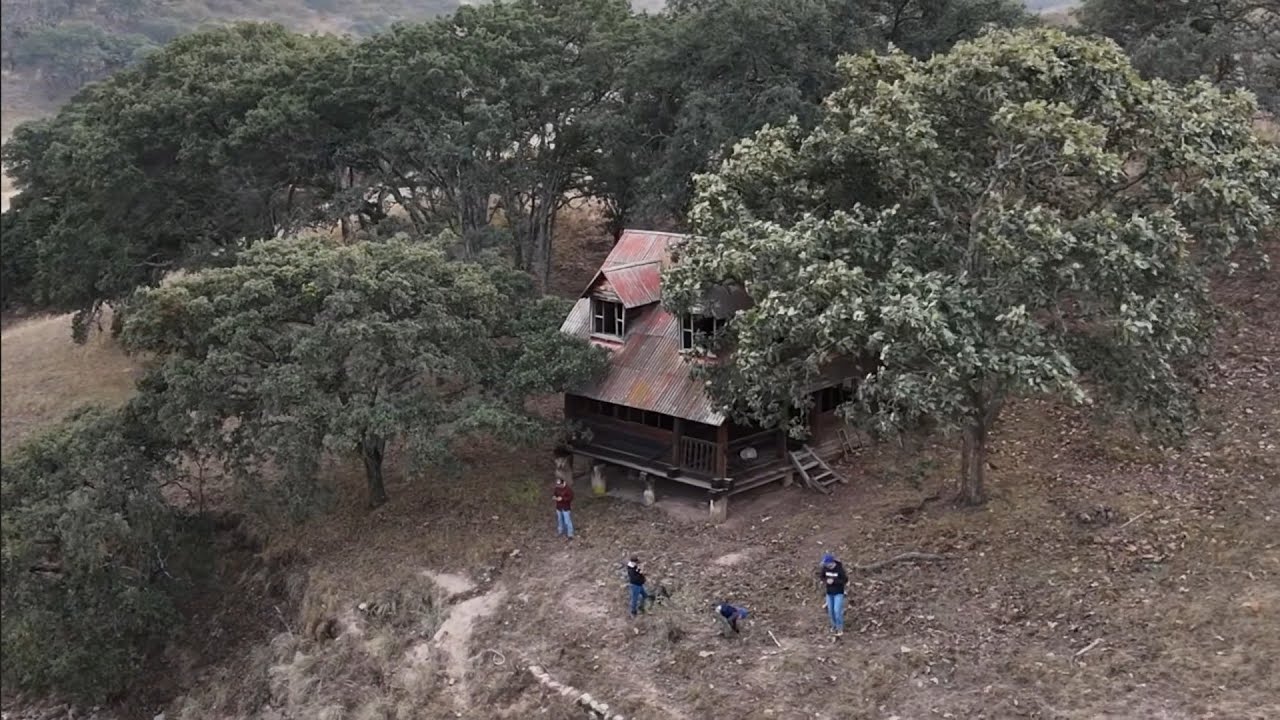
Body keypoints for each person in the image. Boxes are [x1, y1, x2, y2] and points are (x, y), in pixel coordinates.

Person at [820, 553, 848, 638]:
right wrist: (826, 581)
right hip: (829, 593)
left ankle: (840, 628)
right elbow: (822, 577)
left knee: (837, 610)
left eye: (827, 564)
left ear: (831, 563)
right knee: (831, 611)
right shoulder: (825, 569)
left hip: (838, 593)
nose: (826, 566)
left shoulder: (839, 569)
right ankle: (834, 626)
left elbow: (845, 580)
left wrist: (834, 581)